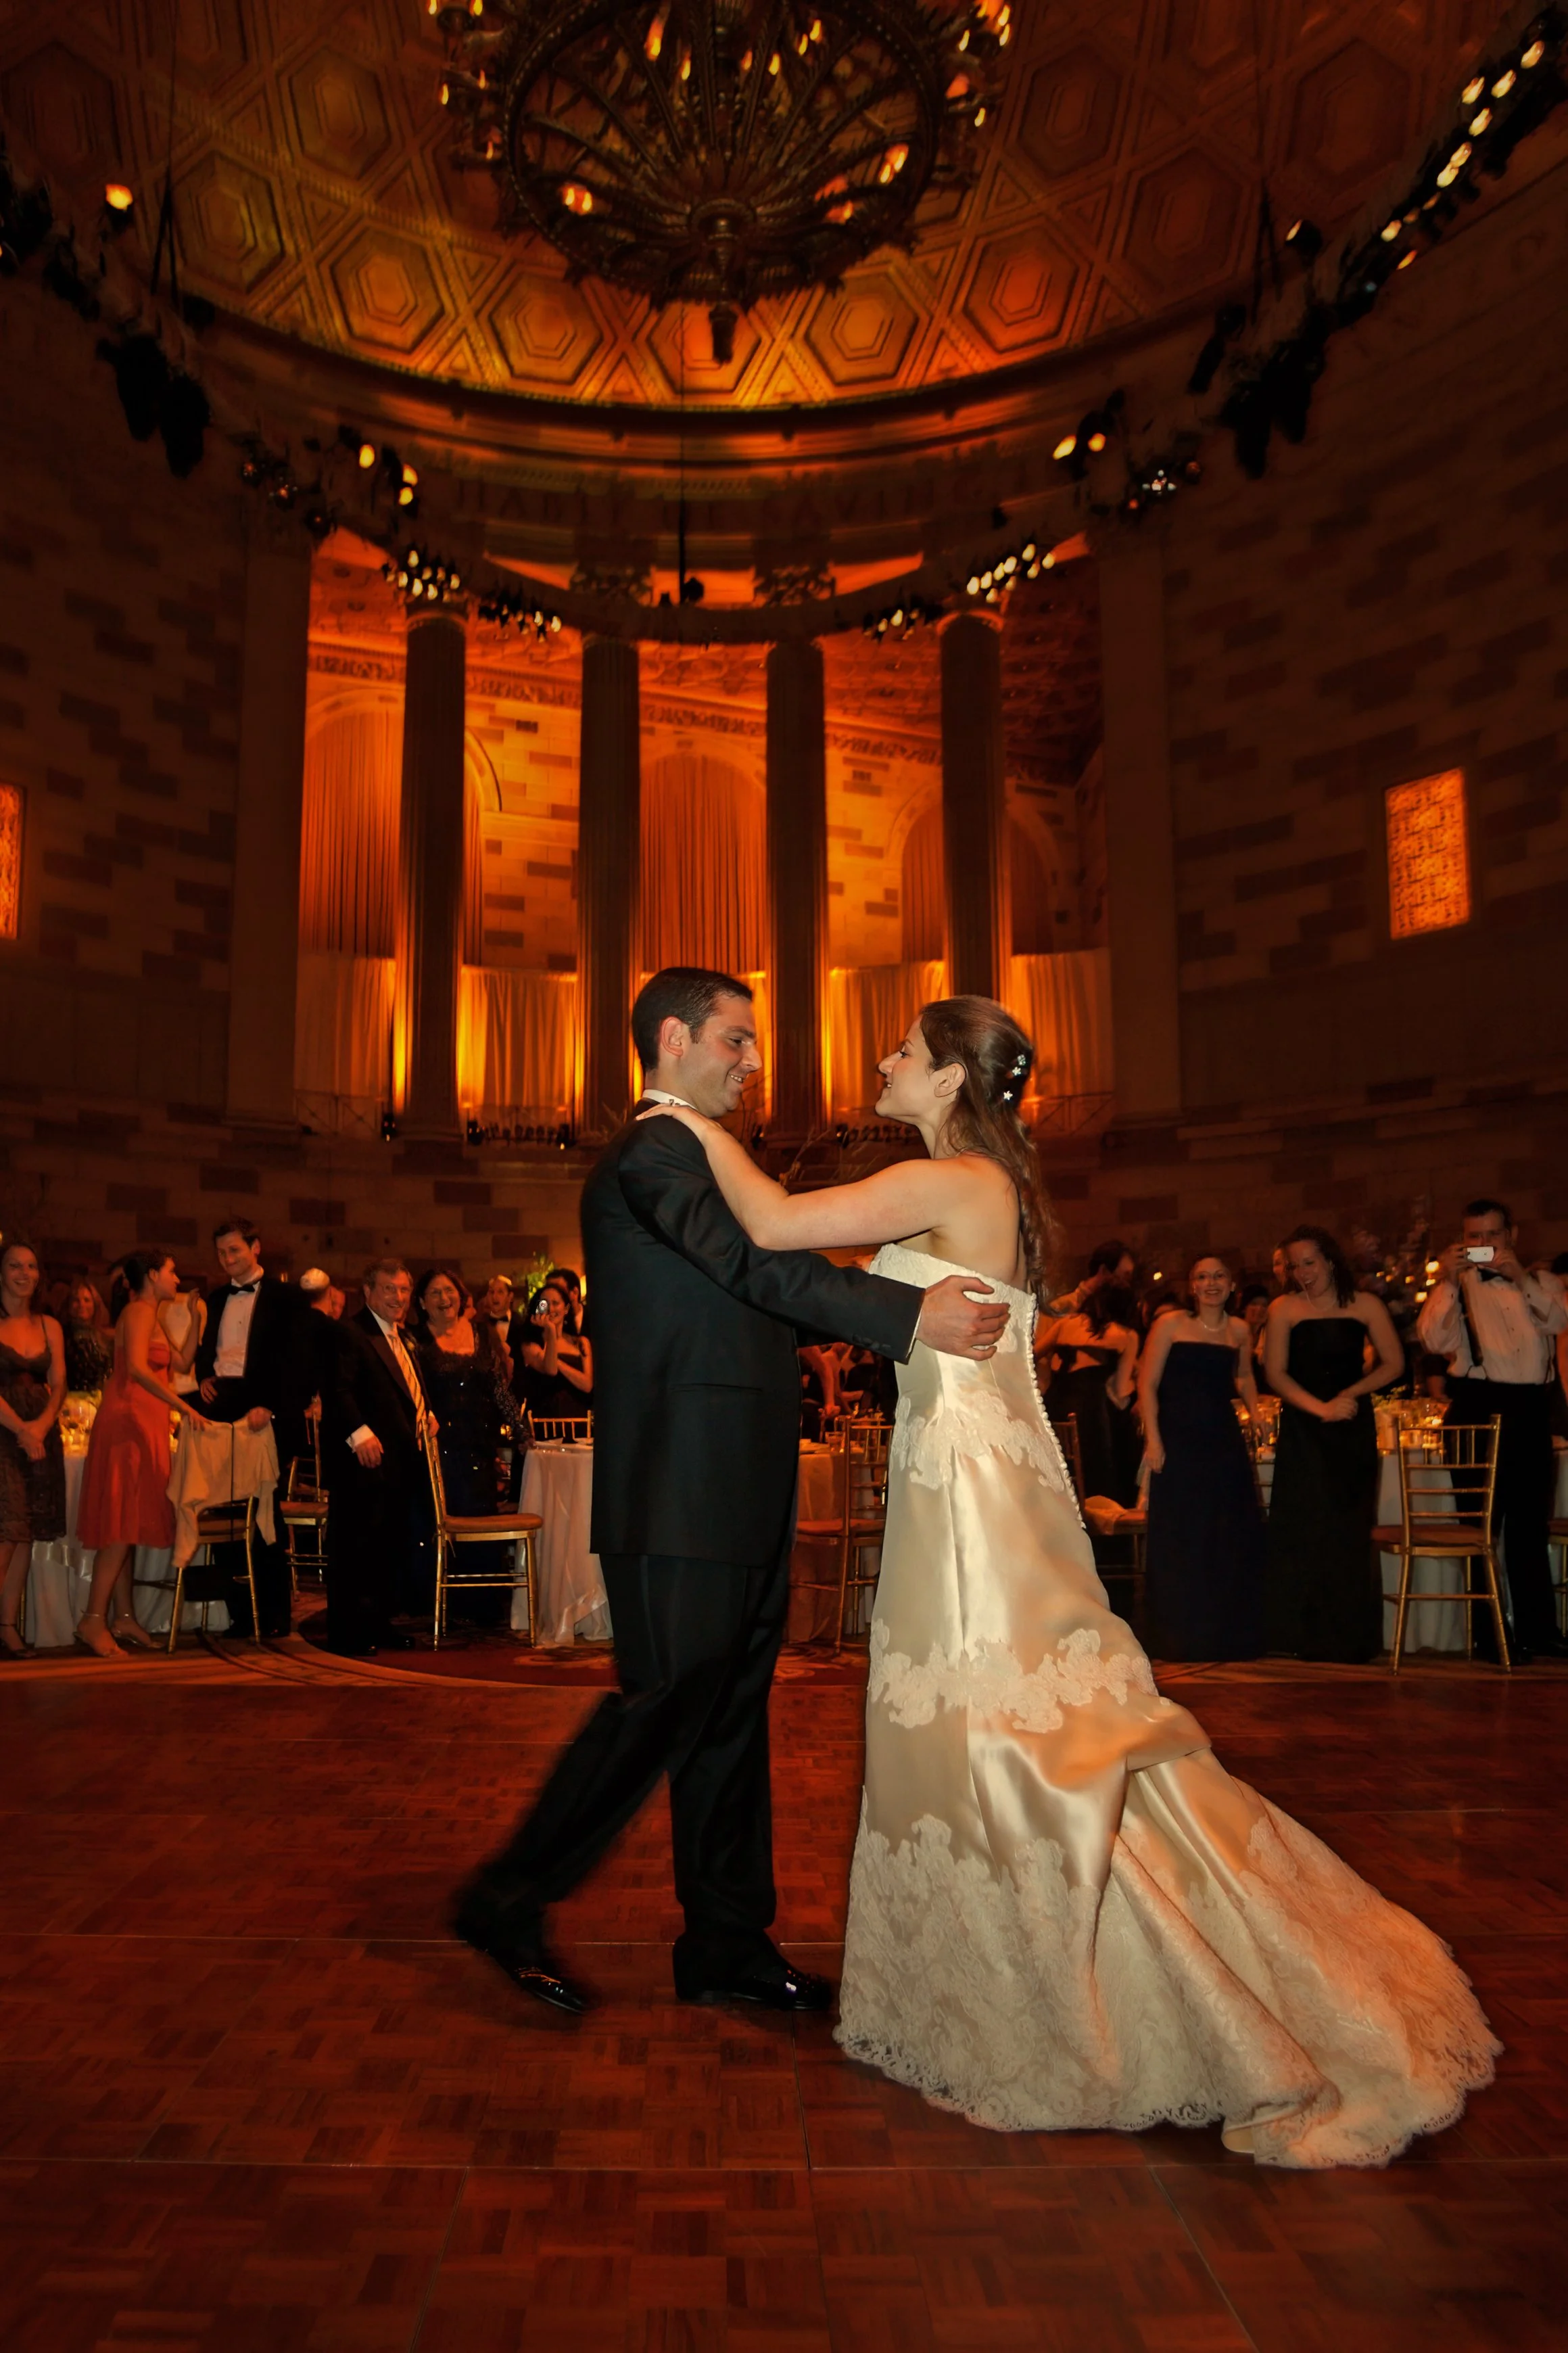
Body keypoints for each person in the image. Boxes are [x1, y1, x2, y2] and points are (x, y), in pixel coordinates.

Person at [638, 992, 1498, 2166]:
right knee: (993, 1723)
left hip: (976, 1495)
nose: (883, 1063)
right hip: (972, 1473)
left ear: (945, 1079)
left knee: (1005, 1727)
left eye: (902, 1051)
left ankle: (1057, 1987)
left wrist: (677, 1119)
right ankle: (1009, 1961)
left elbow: (778, 1221)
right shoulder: (976, 1183)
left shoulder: (954, 1183)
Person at [450, 964, 1005, 2018]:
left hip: (732, 1477)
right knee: (665, 1702)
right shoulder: (655, 1149)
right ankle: (505, 1893)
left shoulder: (702, 1153)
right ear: (672, 1037)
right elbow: (747, 1266)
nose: (752, 1063)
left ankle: (724, 1941)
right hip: (675, 1481)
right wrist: (901, 1313)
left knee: (727, 1715)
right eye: (735, 1040)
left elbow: (758, 1279)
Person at [1417, 1199, 1568, 1663]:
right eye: (1473, 1237)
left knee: (1528, 1525)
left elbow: (1560, 1321)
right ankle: (1489, 1636)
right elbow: (1432, 1340)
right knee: (1479, 1527)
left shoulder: (1538, 1281)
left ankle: (1539, 1630)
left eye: (1492, 1236)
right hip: (1477, 1406)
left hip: (1530, 1408)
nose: (1483, 1245)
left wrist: (1520, 1277)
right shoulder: (1455, 1285)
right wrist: (1444, 1279)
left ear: (1512, 1234)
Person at [1263, 1226, 1404, 1662]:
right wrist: (1318, 1409)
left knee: (1346, 1527)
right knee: (1301, 1526)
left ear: (1328, 1260)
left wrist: (1350, 1395)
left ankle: (1348, 1638)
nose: (1302, 1272)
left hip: (1349, 1425)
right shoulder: (1283, 1308)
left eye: (1309, 1262)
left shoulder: (1365, 1304)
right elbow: (1276, 1373)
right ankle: (1297, 1635)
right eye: (1294, 1264)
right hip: (1305, 1428)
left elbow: (1394, 1363)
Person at [76, 1251, 212, 1658]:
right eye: (171, 1272)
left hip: (144, 1424)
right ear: (152, 1276)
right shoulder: (137, 1311)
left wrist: (196, 1316)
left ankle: (124, 1616)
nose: (177, 1278)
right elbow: (135, 1368)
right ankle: (92, 1620)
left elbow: (184, 1362)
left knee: (129, 1522)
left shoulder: (153, 1315)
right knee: (120, 1526)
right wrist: (184, 1407)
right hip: (128, 1424)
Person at [1140, 1255, 1266, 1660]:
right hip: (1178, 1438)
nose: (1211, 1283)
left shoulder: (1240, 1330)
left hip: (1222, 1439)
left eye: (1219, 1276)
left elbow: (1243, 1375)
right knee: (1182, 1533)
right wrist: (1154, 1441)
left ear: (1231, 1285)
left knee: (1226, 1531)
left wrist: (1256, 1410)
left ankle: (1226, 1636)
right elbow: (1147, 1384)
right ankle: (1179, 1635)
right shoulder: (1171, 1325)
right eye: (1202, 1277)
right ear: (1192, 1287)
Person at [191, 1219, 311, 1635]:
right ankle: (241, 1615)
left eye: (235, 1250)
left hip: (264, 1411)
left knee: (265, 1515)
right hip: (221, 1405)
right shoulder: (217, 1296)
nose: (227, 1260)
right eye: (222, 1253)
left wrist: (272, 1407)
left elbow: (299, 1364)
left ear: (256, 1248)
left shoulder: (287, 1298)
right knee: (226, 1513)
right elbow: (210, 1352)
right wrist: (204, 1376)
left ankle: (275, 1616)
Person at [320, 1258, 435, 1656]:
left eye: (404, 1290)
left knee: (388, 1551)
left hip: (399, 1463)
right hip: (363, 1463)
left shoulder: (401, 1337)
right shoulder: (351, 1333)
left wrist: (427, 1414)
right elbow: (338, 1389)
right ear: (367, 1292)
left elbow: (405, 1389)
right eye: (389, 1289)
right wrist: (358, 1433)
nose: (398, 1297)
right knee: (356, 1550)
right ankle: (348, 1634)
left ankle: (378, 1624)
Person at [412, 1266, 512, 1626]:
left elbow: (498, 1387)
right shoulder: (414, 1340)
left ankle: (482, 1602)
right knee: (441, 1520)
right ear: (422, 1303)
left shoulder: (483, 1333)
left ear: (461, 1296)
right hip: (439, 1445)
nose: (444, 1299)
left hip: (479, 1443)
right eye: (435, 1293)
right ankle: (441, 1601)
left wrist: (520, 1431)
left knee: (481, 1516)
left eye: (449, 1291)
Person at [0, 1240, 67, 1658]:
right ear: (0, 1273)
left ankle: (7, 1627)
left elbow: (59, 1385)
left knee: (26, 1534)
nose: (25, 1274)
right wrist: (22, 1429)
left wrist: (40, 1427)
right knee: (5, 1532)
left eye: (31, 1266)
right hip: (5, 1432)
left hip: (41, 1436)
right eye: (14, 1267)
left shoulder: (50, 1325)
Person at [1033, 1281, 1141, 1504]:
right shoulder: (1126, 1335)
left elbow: (1030, 1355)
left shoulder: (1066, 1325)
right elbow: (1121, 1390)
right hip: (1096, 1412)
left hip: (1058, 1404)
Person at [517, 1278, 593, 1422]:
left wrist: (556, 1361)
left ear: (566, 1309)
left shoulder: (581, 1342)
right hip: (544, 1422)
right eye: (544, 1304)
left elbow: (587, 1385)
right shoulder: (530, 1343)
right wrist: (551, 1332)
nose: (550, 1309)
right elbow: (550, 1370)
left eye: (556, 1303)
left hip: (578, 1421)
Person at [1047, 1238, 1135, 1320]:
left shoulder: (1119, 1315)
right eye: (1125, 1277)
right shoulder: (1059, 1309)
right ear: (1104, 1271)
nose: (1127, 1286)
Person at [60, 1278, 114, 1395]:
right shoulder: (60, 1335)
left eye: (86, 1300)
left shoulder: (106, 1336)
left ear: (95, 1304)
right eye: (76, 1300)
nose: (81, 1305)